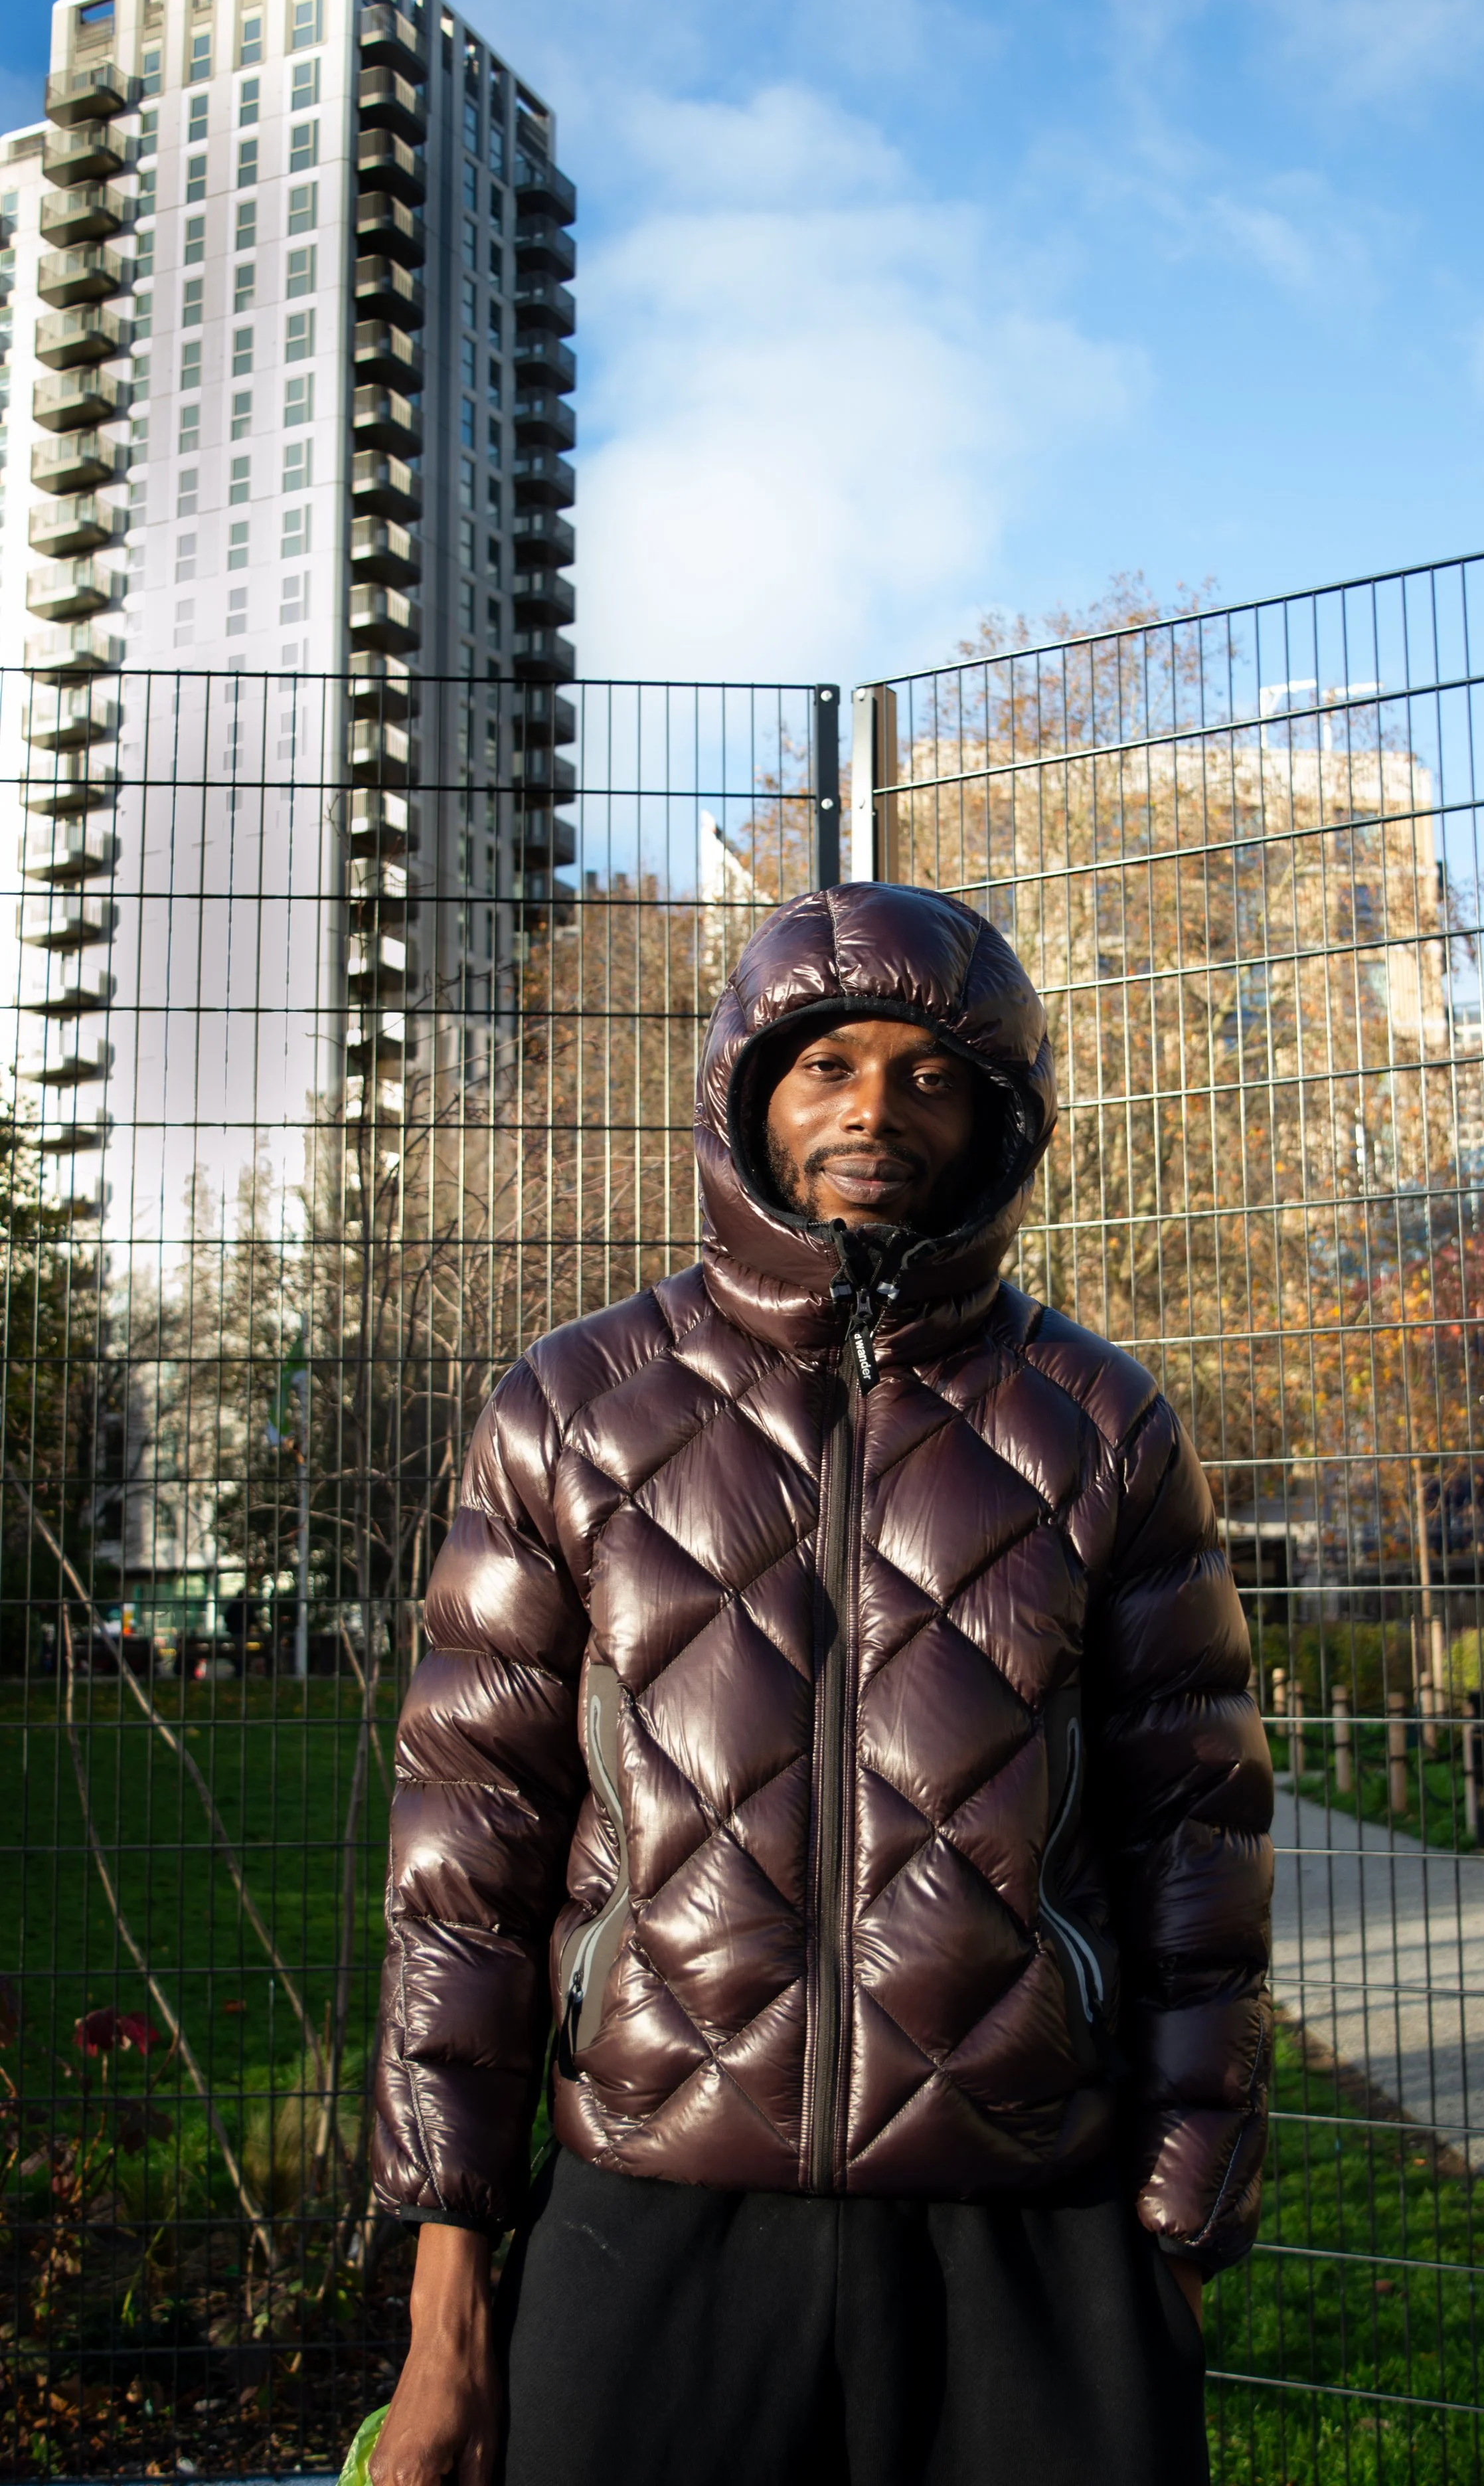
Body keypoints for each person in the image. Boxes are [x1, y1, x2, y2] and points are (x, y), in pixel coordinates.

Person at [368, 881, 1274, 2486]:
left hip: (1027, 2231)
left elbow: (1194, 1852)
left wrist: (1174, 2235)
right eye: (828, 1063)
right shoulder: (571, 1408)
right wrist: (447, 2299)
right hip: (647, 2214)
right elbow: (467, 1867)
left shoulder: (1099, 1422)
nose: (874, 1107)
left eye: (930, 1073)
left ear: (999, 1117)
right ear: (746, 1092)